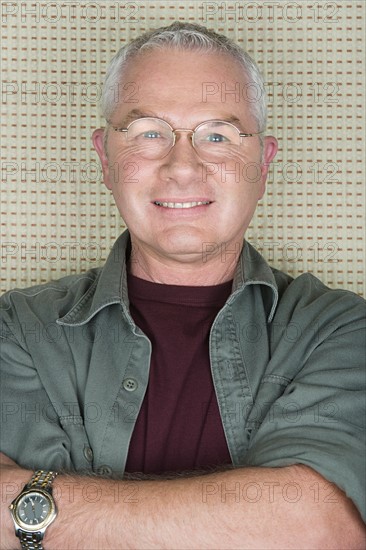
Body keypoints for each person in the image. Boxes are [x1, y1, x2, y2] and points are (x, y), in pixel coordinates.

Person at [0, 21, 365, 549]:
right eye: (149, 131)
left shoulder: (336, 330)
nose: (182, 166)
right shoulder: (17, 330)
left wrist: (34, 511)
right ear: (106, 158)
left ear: (263, 166)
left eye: (217, 135)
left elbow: (316, 528)